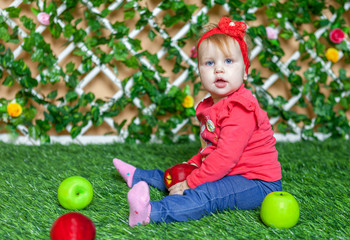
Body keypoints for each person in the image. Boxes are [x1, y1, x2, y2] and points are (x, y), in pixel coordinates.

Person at [113, 16, 282, 227]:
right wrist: (192, 166)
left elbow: (224, 157)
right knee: (180, 171)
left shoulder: (241, 108)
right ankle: (139, 177)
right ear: (200, 72)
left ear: (245, 71)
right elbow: (210, 149)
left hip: (256, 182)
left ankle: (150, 212)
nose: (219, 69)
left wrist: (189, 183)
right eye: (210, 63)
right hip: (229, 170)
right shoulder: (212, 105)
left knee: (206, 194)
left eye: (228, 61)